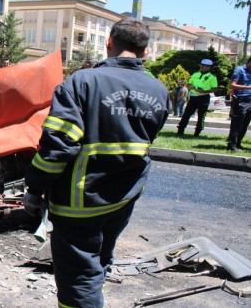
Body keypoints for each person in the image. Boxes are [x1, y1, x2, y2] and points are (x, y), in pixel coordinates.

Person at [24, 19, 169, 307]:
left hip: (80, 199)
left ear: (108, 42)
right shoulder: (158, 89)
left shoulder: (82, 82)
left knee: (79, 277)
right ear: (146, 51)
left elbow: (59, 146)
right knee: (99, 261)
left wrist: (34, 187)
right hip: (124, 196)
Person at [176, 59, 218, 137]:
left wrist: (204, 91)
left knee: (201, 116)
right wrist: (191, 86)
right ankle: (180, 130)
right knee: (186, 114)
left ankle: (197, 133)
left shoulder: (212, 77)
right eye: (201, 65)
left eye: (203, 66)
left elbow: (215, 89)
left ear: (209, 67)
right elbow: (188, 84)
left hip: (203, 97)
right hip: (193, 97)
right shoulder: (195, 74)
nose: (201, 67)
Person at [226, 57, 251, 151]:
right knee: (237, 124)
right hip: (241, 100)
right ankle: (231, 145)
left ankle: (238, 143)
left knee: (245, 124)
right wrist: (249, 88)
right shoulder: (240, 70)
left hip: (250, 101)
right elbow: (232, 85)